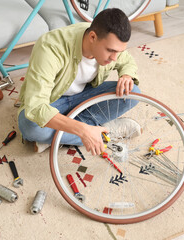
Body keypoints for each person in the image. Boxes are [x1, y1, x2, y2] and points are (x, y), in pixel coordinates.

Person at [18, 8, 141, 155]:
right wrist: (83, 130)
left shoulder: (109, 42)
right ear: (93, 37)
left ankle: (60, 136)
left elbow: (126, 61)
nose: (114, 58)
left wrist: (126, 75)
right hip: (52, 101)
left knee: (132, 92)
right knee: (30, 127)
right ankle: (104, 133)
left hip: (82, 95)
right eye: (110, 51)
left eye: (118, 52)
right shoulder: (50, 47)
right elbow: (36, 107)